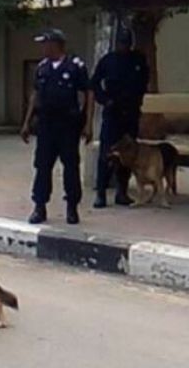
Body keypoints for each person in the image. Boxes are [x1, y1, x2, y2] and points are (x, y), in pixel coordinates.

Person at [21, 29, 94, 225]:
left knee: (70, 167)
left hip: (68, 125)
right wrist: (27, 122)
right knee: (42, 166)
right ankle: (39, 206)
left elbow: (87, 94)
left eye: (45, 43)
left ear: (55, 44)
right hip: (46, 124)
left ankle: (72, 207)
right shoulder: (42, 68)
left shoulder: (75, 66)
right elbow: (35, 95)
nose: (43, 47)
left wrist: (88, 123)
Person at [91, 30, 150, 208]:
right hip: (113, 112)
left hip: (130, 112)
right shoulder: (108, 60)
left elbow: (144, 81)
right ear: (117, 43)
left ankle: (122, 192)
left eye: (127, 42)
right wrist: (104, 100)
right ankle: (101, 193)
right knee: (106, 154)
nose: (125, 46)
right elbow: (94, 83)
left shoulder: (138, 60)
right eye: (122, 43)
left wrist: (138, 99)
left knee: (128, 154)